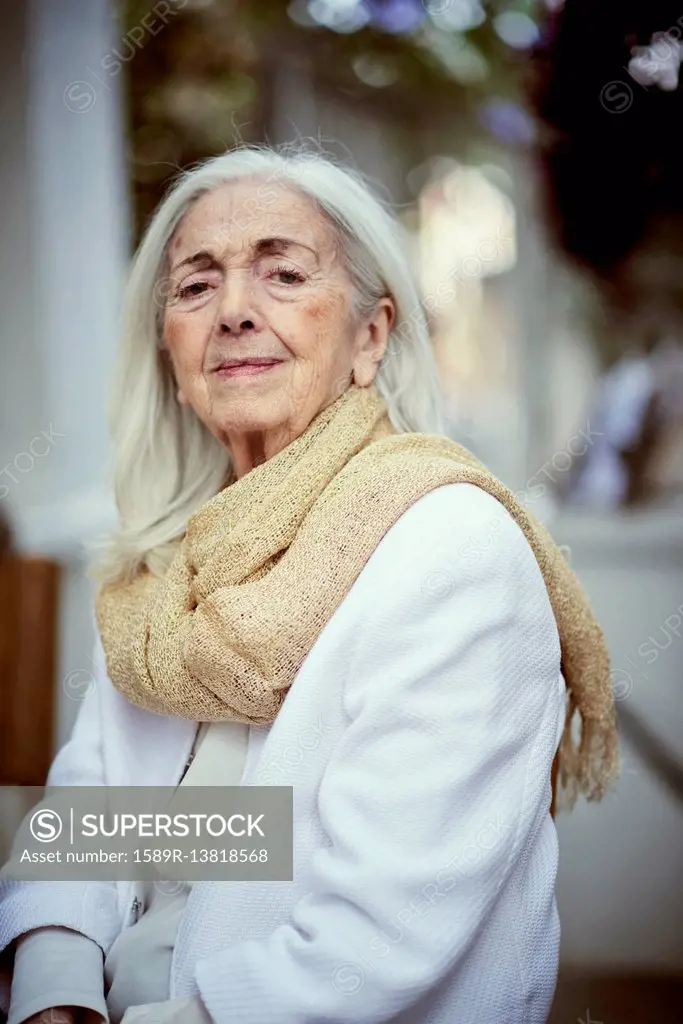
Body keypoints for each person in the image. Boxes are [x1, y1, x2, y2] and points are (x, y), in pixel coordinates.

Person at [0, 145, 618, 1024]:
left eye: (283, 273)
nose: (235, 313)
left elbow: (380, 937)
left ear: (370, 338)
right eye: (195, 286)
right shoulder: (165, 565)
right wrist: (53, 992)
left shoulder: (448, 548)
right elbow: (93, 820)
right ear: (170, 353)